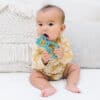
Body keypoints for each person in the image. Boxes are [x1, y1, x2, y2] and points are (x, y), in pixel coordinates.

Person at [29, 4, 80, 97]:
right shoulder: (39, 44)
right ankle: (47, 87)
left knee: (75, 67)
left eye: (50, 24)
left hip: (62, 70)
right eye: (40, 24)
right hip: (44, 72)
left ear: (61, 28)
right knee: (33, 76)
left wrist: (62, 55)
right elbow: (34, 60)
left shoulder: (63, 42)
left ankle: (71, 84)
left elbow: (69, 56)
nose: (44, 28)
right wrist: (43, 60)